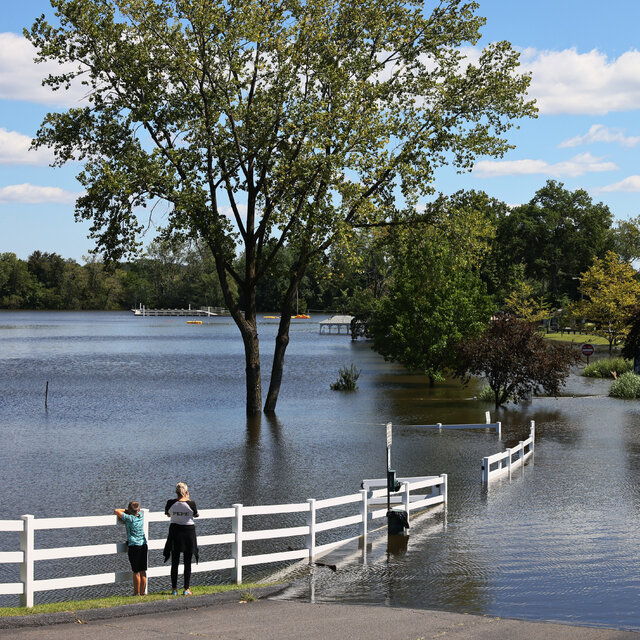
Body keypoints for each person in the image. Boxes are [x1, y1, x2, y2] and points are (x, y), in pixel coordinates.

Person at [164, 482, 199, 596]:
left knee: (175, 562)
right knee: (187, 562)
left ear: (176, 492)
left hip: (175, 532)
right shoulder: (191, 503)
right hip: (188, 533)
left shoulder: (170, 503)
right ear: (186, 492)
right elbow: (195, 515)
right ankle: (186, 589)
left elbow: (168, 515)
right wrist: (187, 499)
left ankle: (174, 589)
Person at [114, 501, 148, 596]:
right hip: (143, 545)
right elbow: (136, 511)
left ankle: (136, 593)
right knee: (143, 570)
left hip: (134, 546)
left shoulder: (129, 518)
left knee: (136, 571)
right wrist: (131, 510)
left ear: (129, 510)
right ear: (138, 510)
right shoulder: (141, 516)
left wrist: (126, 510)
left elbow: (116, 511)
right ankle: (143, 592)